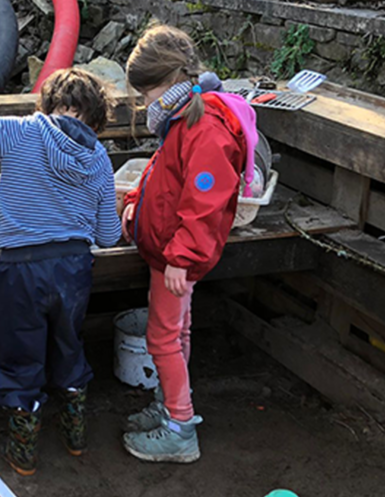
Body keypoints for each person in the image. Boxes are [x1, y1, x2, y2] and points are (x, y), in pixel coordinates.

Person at [0, 68, 122, 476]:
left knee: (20, 351)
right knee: (68, 342)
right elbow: (109, 236)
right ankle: (75, 435)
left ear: (48, 104)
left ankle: (23, 450)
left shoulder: (22, 131)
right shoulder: (98, 157)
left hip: (20, 269)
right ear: (96, 120)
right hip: (73, 269)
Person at [119, 25, 259, 464]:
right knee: (177, 331)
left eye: (145, 94)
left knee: (162, 337)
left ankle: (179, 426)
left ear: (167, 82)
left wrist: (182, 257)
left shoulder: (204, 127)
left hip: (174, 257)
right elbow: (162, 174)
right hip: (169, 251)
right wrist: (135, 201)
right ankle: (170, 404)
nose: (145, 103)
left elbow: (205, 202)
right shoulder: (182, 118)